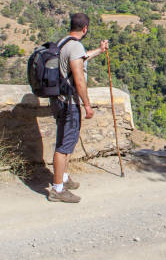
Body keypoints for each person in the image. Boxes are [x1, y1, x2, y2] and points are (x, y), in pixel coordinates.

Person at [47, 13, 108, 203]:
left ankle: (63, 178)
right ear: (85, 29)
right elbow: (79, 79)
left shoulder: (64, 42)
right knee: (64, 146)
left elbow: (81, 58)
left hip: (58, 100)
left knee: (65, 140)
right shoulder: (75, 46)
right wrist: (87, 105)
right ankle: (57, 189)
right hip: (69, 103)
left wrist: (99, 50)